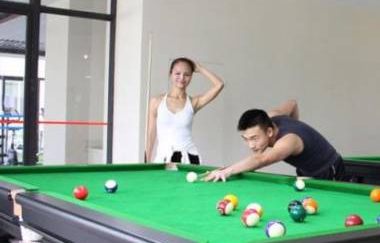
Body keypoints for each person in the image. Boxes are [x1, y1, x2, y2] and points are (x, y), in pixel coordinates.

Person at [204, 99, 347, 182]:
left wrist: (227, 171)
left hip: (329, 169)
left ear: (269, 131)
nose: (251, 145)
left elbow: (261, 160)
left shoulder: (288, 142)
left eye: (254, 138)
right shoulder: (271, 116)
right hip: (305, 169)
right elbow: (292, 103)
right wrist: (296, 124)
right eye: (246, 139)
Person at [145, 58, 224, 164]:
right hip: (164, 157)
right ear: (170, 74)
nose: (182, 78)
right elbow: (151, 134)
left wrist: (200, 68)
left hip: (189, 158)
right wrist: (146, 161)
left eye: (187, 74)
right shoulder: (156, 101)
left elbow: (219, 84)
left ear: (191, 77)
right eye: (177, 73)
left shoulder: (194, 102)